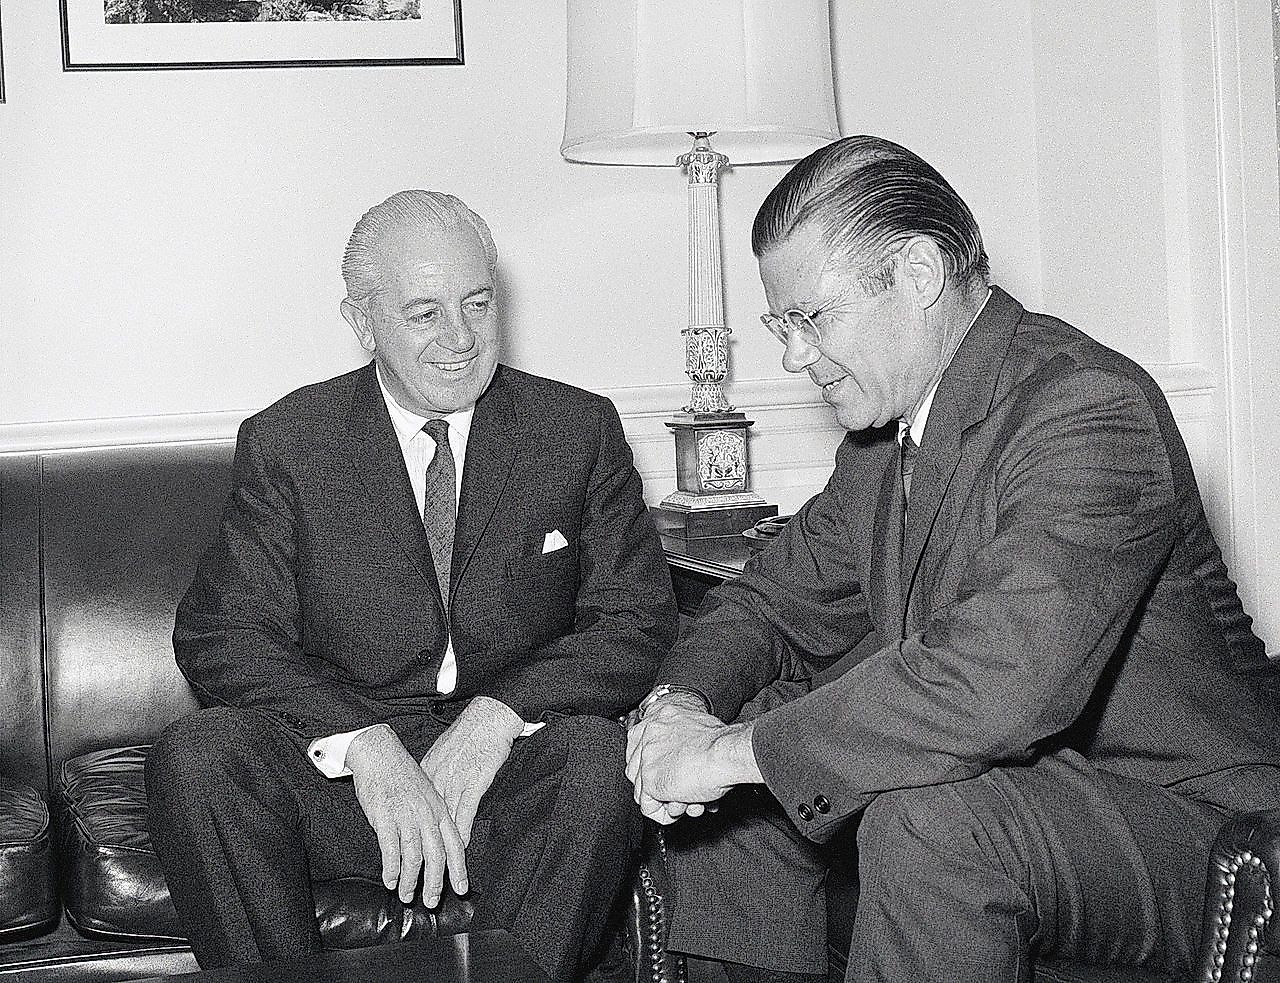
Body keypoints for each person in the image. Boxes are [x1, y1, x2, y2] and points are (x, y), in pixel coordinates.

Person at [625, 135, 1280, 982]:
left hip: (1203, 831)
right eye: (780, 324)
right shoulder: (881, 437)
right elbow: (772, 603)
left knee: (922, 814)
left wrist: (724, 750)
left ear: (920, 272)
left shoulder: (1087, 406)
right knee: (754, 771)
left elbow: (991, 685)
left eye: (812, 319)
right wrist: (681, 708)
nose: (793, 356)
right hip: (1031, 793)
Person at [146, 190, 678, 983]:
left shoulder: (576, 430)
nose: (460, 339)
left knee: (600, 758)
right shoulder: (291, 442)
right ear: (363, 322)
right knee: (198, 755)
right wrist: (366, 744)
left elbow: (635, 619)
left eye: (477, 302)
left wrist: (500, 716)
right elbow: (223, 634)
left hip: (506, 776)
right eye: (425, 313)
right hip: (343, 785)